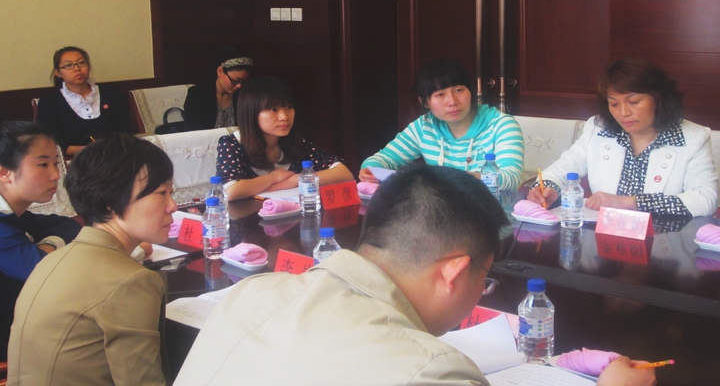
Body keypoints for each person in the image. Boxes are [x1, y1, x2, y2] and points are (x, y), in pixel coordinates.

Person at [174, 164, 655, 386]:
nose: (480, 292)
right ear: (454, 271)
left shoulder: (250, 294)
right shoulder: (432, 372)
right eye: (485, 278)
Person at [8, 134, 176, 385]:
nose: (173, 205)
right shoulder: (130, 281)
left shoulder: (53, 260)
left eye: (171, 192)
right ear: (110, 203)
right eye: (161, 193)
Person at [528, 57, 718, 217]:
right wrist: (548, 190)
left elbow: (705, 199)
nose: (624, 112)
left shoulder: (692, 137)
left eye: (633, 101)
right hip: (603, 240)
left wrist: (631, 202)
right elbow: (559, 171)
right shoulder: (599, 129)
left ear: (659, 98)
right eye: (614, 104)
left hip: (664, 241)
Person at [359, 58, 524, 191]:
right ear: (425, 102)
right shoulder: (424, 127)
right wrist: (370, 171)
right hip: (440, 213)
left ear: (471, 92)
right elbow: (380, 160)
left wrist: (469, 178)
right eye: (440, 94)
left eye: (459, 90)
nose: (452, 101)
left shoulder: (502, 125)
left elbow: (511, 178)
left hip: (490, 214)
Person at [0, 122, 81, 361]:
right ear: (4, 172)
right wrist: (42, 255)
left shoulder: (16, 215)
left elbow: (68, 224)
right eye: (43, 164)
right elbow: (41, 270)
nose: (55, 175)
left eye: (56, 163)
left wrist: (46, 247)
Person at [216, 76, 354, 200]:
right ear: (251, 112)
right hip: (248, 218)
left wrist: (297, 179)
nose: (284, 116)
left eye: (289, 107)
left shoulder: (293, 142)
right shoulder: (232, 143)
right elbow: (229, 191)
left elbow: (345, 174)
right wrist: (273, 177)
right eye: (273, 109)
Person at [36, 46, 132, 157]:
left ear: (89, 67)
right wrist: (90, 150)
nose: (77, 68)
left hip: (115, 155)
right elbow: (51, 142)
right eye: (68, 65)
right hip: (74, 160)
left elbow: (125, 131)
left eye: (81, 63)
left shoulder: (111, 93)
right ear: (58, 73)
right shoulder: (49, 102)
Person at [183, 47, 255, 131]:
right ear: (220, 71)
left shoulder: (245, 95)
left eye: (243, 81)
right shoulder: (197, 94)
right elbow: (192, 131)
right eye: (235, 81)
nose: (239, 86)